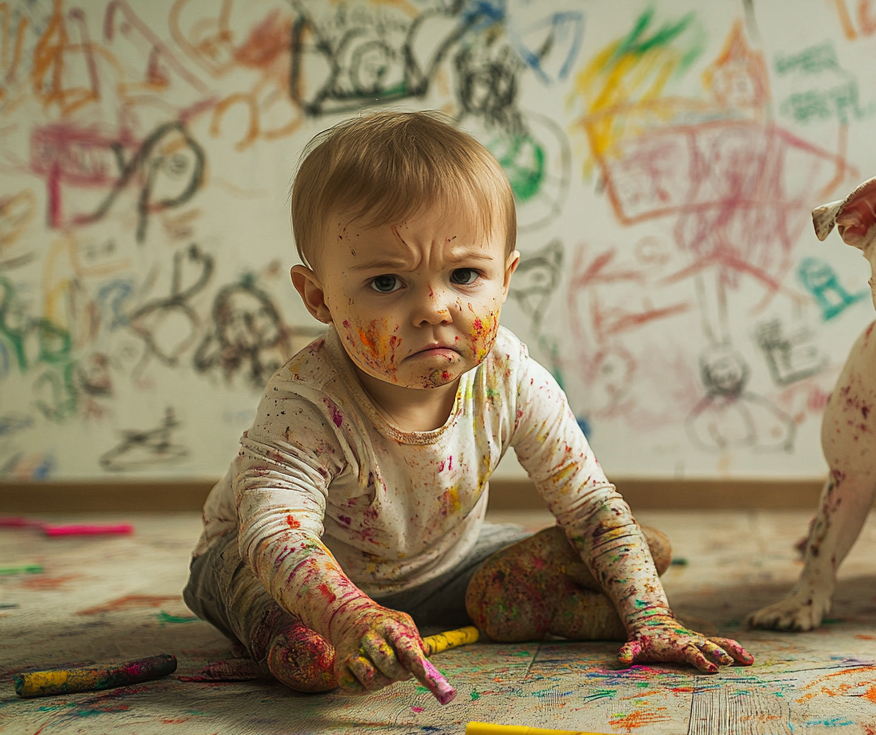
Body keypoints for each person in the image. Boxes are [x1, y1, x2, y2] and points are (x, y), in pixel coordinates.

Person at [184, 110, 752, 696]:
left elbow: (588, 504)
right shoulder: (304, 402)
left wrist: (651, 619)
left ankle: (518, 602)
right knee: (255, 591)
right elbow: (276, 535)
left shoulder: (509, 376)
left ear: (504, 278)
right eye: (386, 283)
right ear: (318, 297)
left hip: (442, 566)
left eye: (463, 274)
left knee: (607, 543)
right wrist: (351, 614)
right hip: (271, 565)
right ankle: (302, 644)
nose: (434, 307)